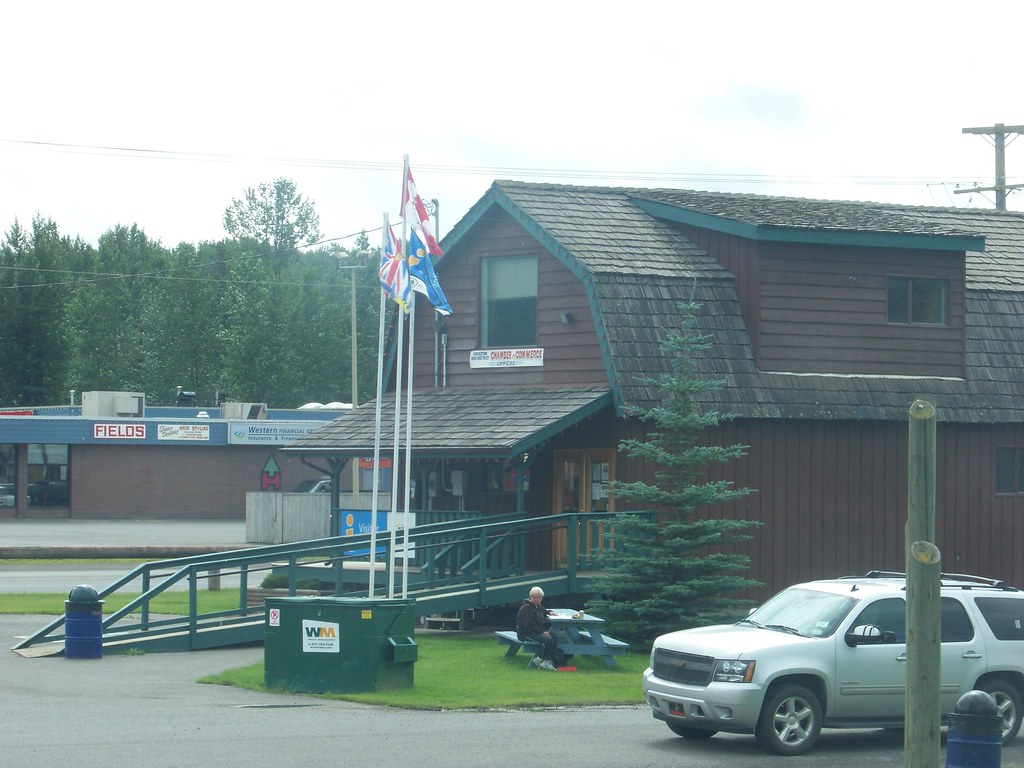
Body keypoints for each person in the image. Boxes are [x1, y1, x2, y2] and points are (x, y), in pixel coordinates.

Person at [516, 586, 558, 671]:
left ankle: (546, 660)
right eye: (535, 597)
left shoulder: (537, 606)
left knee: (553, 636)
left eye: (540, 598)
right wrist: (542, 632)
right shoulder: (526, 608)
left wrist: (550, 612)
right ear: (531, 597)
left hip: (535, 631)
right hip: (525, 633)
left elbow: (544, 611)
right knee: (548, 640)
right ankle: (541, 659)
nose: (538, 600)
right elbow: (528, 626)